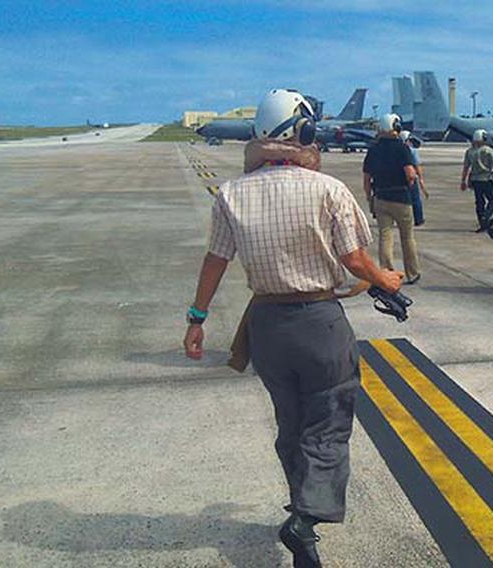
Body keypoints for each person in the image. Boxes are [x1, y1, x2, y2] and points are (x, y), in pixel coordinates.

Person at [182, 89, 403, 568]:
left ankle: (299, 496)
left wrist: (197, 320)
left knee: (291, 420)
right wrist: (385, 278)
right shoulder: (327, 189)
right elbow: (354, 259)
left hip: (267, 328)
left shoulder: (231, 193)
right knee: (328, 421)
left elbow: (215, 260)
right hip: (319, 324)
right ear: (300, 133)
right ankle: (305, 519)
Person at [364, 114, 422, 284]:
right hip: (401, 198)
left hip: (381, 197)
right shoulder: (402, 148)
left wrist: (370, 198)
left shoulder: (373, 149)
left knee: (385, 236)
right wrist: (411, 185)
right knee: (407, 237)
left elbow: (366, 178)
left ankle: (387, 272)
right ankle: (412, 272)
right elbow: (410, 173)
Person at [461, 129, 493, 232]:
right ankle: (486, 217)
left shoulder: (469, 151)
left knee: (479, 202)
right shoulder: (488, 150)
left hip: (475, 180)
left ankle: (482, 223)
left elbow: (466, 168)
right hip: (486, 179)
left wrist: (463, 181)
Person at [400, 130, 429, 225]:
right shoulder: (413, 151)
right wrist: (421, 179)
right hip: (411, 177)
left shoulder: (398, 150)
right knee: (416, 199)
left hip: (401, 177)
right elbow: (417, 165)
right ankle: (418, 219)